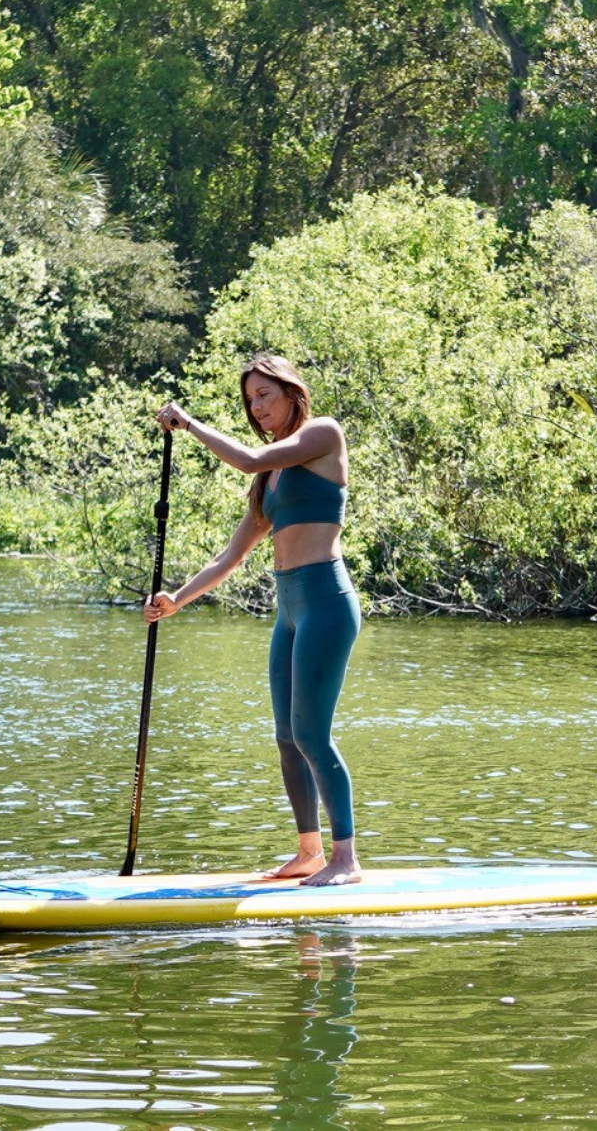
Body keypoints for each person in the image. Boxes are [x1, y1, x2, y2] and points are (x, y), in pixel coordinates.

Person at [144, 356, 362, 887]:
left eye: (265, 394)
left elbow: (244, 458)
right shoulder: (272, 477)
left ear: (292, 392)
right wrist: (178, 599)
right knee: (287, 735)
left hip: (327, 602)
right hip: (289, 608)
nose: (257, 406)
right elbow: (231, 557)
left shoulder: (322, 435)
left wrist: (189, 423)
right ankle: (309, 852)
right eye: (250, 400)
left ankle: (346, 859)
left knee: (312, 733)